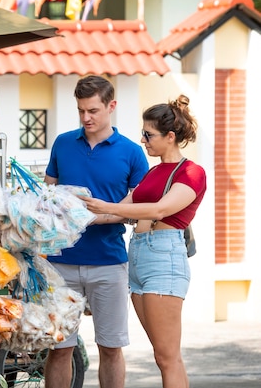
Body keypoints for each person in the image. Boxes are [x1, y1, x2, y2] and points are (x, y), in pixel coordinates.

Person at [79, 95, 207, 388]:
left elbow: (159, 210)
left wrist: (107, 207)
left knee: (167, 357)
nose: (143, 140)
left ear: (170, 136)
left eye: (149, 135)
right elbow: (120, 211)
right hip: (138, 259)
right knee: (165, 356)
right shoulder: (154, 171)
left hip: (164, 258)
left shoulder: (191, 172)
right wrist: (69, 216)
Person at [43, 75, 149, 388]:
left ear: (111, 106)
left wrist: (105, 213)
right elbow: (47, 195)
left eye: (93, 110)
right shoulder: (63, 143)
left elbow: (141, 202)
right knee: (60, 347)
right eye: (81, 111)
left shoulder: (130, 152)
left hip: (109, 262)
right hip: (60, 262)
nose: (86, 118)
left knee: (111, 347)